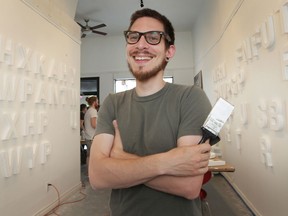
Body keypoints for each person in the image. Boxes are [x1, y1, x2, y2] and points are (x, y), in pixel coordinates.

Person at [89, 8, 212, 216]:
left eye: (153, 37)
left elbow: (189, 187)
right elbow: (98, 176)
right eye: (133, 37)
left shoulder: (191, 98)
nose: (141, 44)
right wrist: (170, 161)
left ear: (169, 51)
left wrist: (121, 157)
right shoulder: (112, 103)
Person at [83, 95, 99, 164]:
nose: (98, 102)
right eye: (97, 101)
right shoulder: (93, 111)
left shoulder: (88, 111)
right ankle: (93, 173)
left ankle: (89, 172)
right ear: (94, 102)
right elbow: (94, 124)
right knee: (94, 156)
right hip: (92, 137)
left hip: (88, 136)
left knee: (89, 155)